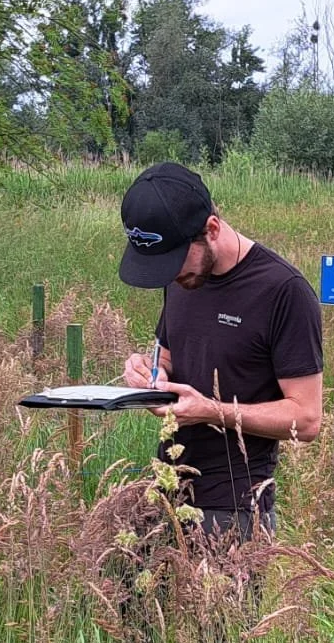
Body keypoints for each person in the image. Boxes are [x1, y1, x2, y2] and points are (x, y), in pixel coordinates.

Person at [116, 162, 323, 542]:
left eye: (175, 265)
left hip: (235, 511)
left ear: (211, 229)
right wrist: (150, 373)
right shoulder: (182, 279)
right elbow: (168, 355)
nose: (172, 278)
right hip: (165, 488)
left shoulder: (284, 291)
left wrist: (211, 412)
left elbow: (307, 419)